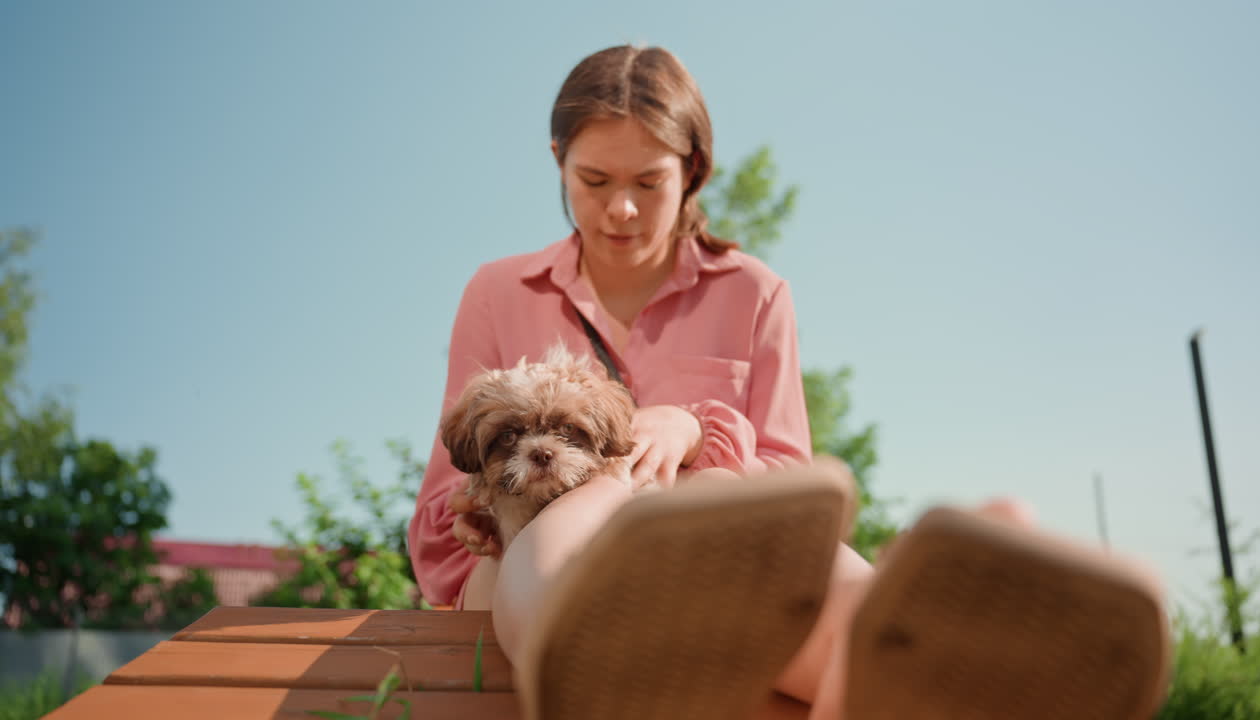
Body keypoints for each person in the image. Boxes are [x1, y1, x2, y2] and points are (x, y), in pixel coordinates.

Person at [409, 45, 1170, 719]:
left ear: (694, 171)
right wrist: (503, 513)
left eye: (649, 179)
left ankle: (938, 638)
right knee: (562, 551)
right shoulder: (499, 290)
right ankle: (606, 654)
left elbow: (786, 485)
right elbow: (443, 514)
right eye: (594, 179)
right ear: (557, 160)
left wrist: (694, 427)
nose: (622, 207)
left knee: (776, 554)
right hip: (530, 547)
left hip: (709, 548)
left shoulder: (754, 291)